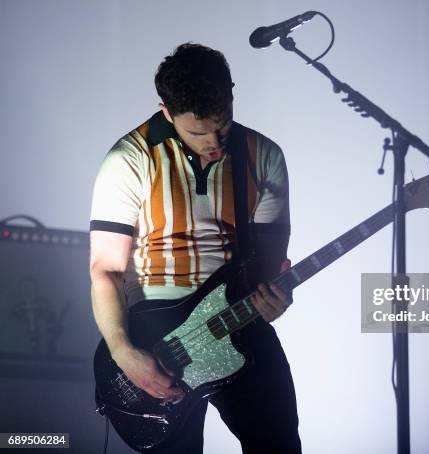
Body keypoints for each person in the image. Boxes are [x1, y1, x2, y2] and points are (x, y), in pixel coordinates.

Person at [89, 43, 301, 453]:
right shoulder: (129, 160)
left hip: (238, 320)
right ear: (167, 113)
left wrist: (275, 297)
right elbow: (106, 270)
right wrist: (123, 351)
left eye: (222, 126)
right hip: (156, 336)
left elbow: (268, 272)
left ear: (232, 96)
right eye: (198, 132)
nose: (215, 143)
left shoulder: (264, 156)